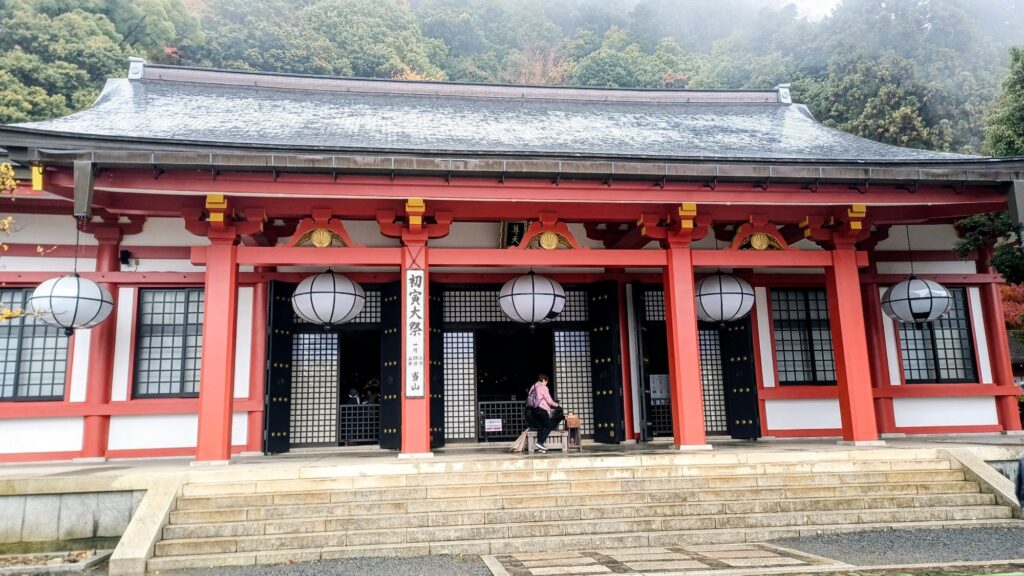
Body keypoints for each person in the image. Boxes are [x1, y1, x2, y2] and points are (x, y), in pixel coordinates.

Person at [527, 374, 561, 453]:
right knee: (549, 426)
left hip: (534, 410)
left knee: (541, 427)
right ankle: (540, 443)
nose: (546, 383)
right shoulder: (544, 387)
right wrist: (556, 405)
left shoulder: (533, 386)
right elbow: (549, 400)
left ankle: (540, 448)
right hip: (542, 409)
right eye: (546, 381)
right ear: (544, 380)